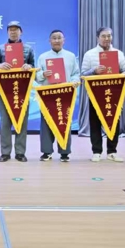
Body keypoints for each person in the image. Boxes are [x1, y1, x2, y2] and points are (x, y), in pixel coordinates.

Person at [80, 27, 125, 163]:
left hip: (114, 93)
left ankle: (112, 151)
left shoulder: (118, 53)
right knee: (95, 123)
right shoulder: (89, 54)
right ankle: (96, 151)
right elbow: (83, 74)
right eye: (103, 36)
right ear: (97, 37)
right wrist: (94, 70)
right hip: (96, 94)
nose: (107, 39)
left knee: (114, 122)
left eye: (109, 36)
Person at [0, 20, 35, 162]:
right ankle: (5, 152)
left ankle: (20, 152)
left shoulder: (28, 49)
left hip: (22, 91)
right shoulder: (0, 49)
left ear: (21, 32)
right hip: (5, 91)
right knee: (5, 123)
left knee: (22, 121)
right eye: (10, 29)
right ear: (7, 32)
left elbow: (34, 67)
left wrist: (29, 66)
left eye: (16, 29)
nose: (13, 32)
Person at [35, 29, 80, 162]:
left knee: (64, 121)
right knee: (46, 123)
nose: (57, 40)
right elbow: (36, 76)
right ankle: (46, 151)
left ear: (64, 40)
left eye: (59, 38)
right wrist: (43, 74)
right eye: (54, 38)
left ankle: (64, 152)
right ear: (49, 41)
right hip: (48, 95)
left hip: (65, 94)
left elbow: (76, 74)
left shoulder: (71, 56)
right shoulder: (43, 57)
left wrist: (74, 81)